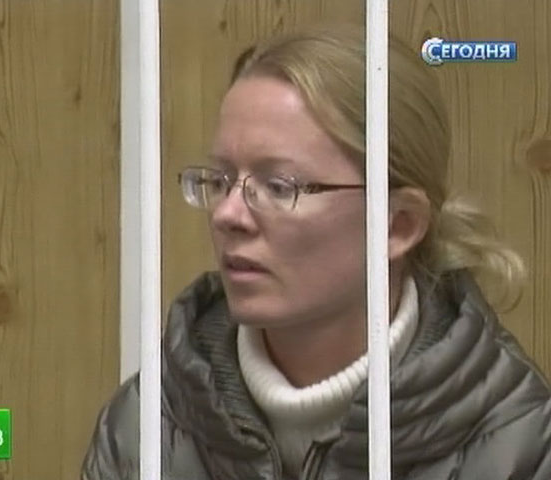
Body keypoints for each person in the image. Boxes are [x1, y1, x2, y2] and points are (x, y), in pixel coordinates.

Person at [81, 24, 551, 480]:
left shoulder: (521, 442)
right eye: (220, 179)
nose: (227, 214)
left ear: (397, 224)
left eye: (279, 185)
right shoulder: (149, 425)